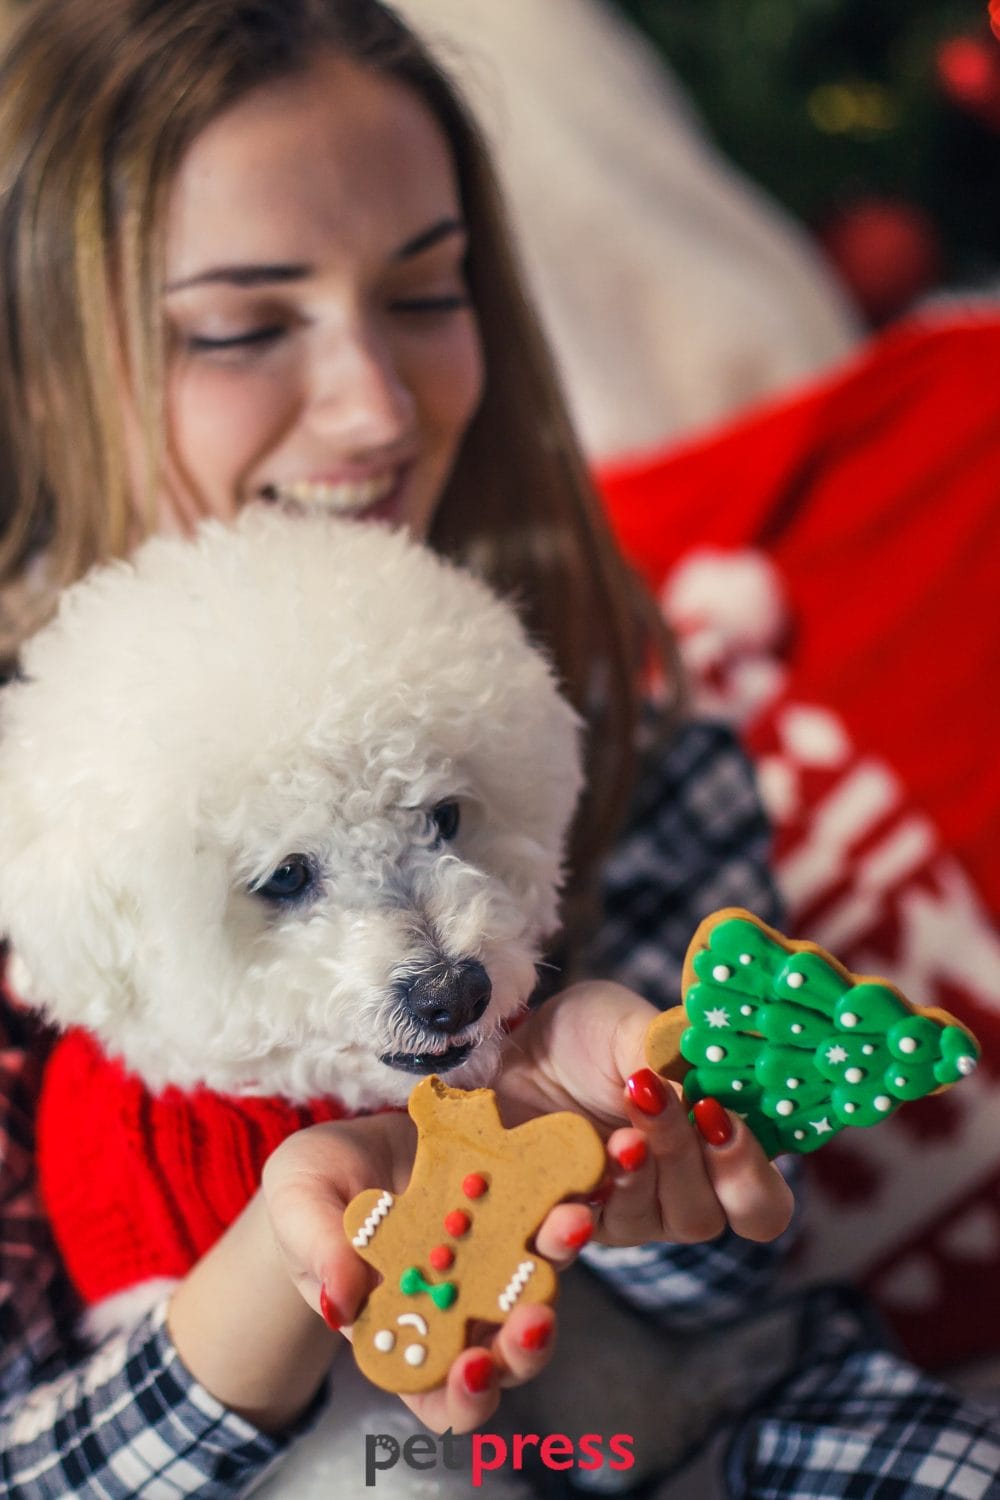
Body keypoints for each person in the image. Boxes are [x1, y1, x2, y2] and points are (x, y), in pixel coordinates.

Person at [0, 3, 994, 1498]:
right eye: (243, 325)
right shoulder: (54, 858)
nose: (374, 408)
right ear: (37, 367)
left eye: (426, 293)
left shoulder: (626, 723)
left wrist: (620, 1137)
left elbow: (728, 1308)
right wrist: (290, 1262)